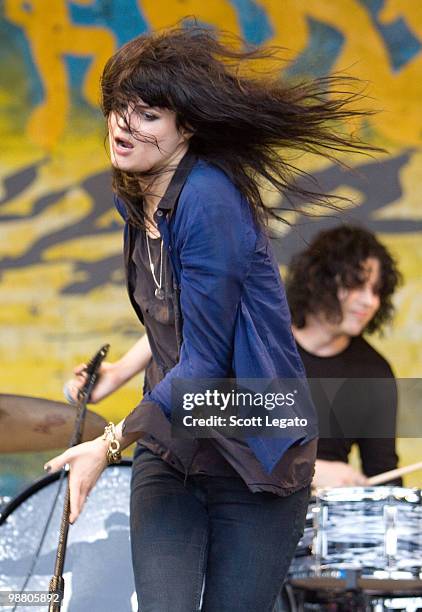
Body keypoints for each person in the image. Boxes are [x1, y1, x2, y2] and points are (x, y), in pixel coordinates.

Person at [45, 26, 377, 611]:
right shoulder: (136, 193)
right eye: (118, 109)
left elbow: (205, 360)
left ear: (186, 128)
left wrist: (109, 442)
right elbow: (181, 315)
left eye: (147, 114)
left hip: (253, 458)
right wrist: (123, 369)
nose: (124, 126)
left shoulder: (208, 198)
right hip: (175, 450)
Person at [286, 225, 402, 488]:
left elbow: (384, 473)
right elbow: (220, 444)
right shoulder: (260, 344)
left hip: (323, 522)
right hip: (247, 510)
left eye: (376, 290)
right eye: (357, 285)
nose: (369, 301)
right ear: (318, 279)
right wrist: (310, 469)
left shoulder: (374, 373)